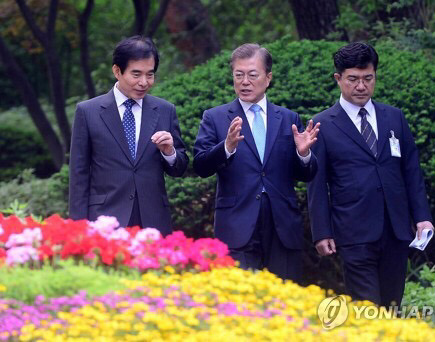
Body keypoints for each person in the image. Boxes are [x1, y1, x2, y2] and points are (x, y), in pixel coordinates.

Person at [307, 42, 434, 307]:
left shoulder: (394, 117)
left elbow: (411, 171)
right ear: (338, 78)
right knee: (368, 309)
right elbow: (316, 184)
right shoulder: (323, 124)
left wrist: (422, 217)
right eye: (353, 79)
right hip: (353, 231)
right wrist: (321, 231)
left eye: (368, 78)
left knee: (391, 306)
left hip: (396, 229)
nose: (361, 86)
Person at [193, 43, 320, 282]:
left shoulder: (288, 119)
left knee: (284, 301)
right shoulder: (216, 117)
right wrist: (226, 147)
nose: (244, 81)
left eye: (252, 75)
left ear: (268, 78)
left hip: (282, 224)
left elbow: (308, 173)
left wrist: (303, 154)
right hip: (236, 224)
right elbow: (200, 165)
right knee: (239, 303)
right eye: (238, 75)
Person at [69, 36, 188, 236]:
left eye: (150, 75)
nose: (144, 82)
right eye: (136, 74)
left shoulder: (165, 110)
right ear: (117, 71)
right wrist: (77, 229)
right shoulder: (88, 112)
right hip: (104, 220)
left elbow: (179, 168)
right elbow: (79, 175)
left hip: (153, 220)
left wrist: (170, 152)